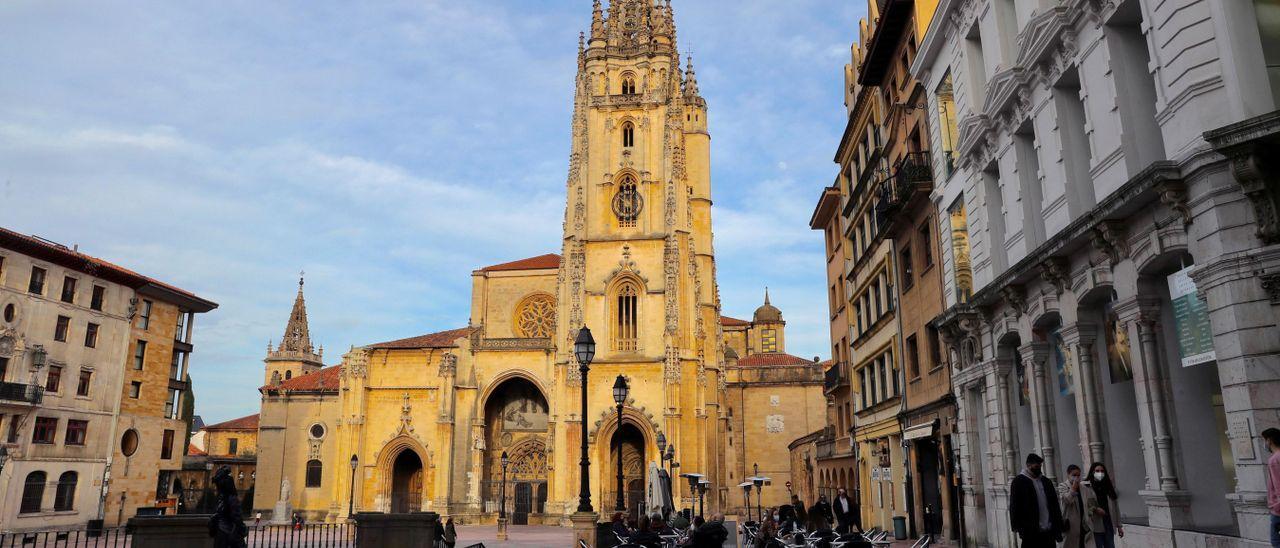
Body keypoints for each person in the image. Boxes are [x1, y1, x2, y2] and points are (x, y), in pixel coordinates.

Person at [1009, 453, 1063, 548]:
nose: (1039, 468)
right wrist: (1018, 527)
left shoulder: (1046, 481)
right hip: (1030, 532)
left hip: (1048, 531)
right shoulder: (1019, 482)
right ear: (1029, 465)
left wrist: (1058, 525)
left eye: (1040, 466)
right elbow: (1014, 505)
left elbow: (1054, 504)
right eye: (1036, 466)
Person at [207, 466, 248, 548]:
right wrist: (243, 530)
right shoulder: (231, 499)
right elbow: (237, 518)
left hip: (221, 533)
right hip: (229, 536)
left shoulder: (221, 499)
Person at [1087, 462, 1123, 548]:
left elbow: (1115, 507)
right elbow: (1086, 504)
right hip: (1095, 523)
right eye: (1097, 471)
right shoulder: (1087, 487)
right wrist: (1095, 509)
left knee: (1110, 545)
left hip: (1108, 522)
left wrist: (1119, 526)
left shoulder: (1108, 486)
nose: (1100, 473)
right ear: (1092, 472)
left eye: (1102, 471)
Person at [1058, 465, 1094, 548]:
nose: (1077, 478)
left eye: (1078, 475)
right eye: (1074, 475)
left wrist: (1090, 517)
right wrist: (1073, 488)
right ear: (1068, 475)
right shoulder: (1063, 486)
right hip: (1071, 525)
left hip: (1084, 525)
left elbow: (1091, 504)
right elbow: (1067, 500)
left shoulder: (1084, 488)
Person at [1263, 427, 1280, 548]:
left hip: (1278, 510)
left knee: (1276, 541)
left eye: (1264, 440)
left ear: (1269, 441)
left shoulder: (1274, 460)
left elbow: (1278, 485)